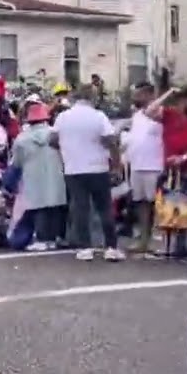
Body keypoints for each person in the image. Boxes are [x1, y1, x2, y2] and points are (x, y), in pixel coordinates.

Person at [53, 84, 125, 262]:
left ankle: (85, 248)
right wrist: (116, 165)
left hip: (73, 168)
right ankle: (111, 247)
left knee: (80, 208)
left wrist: (67, 149)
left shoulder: (63, 117)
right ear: (92, 98)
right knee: (104, 207)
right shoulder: (98, 116)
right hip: (97, 167)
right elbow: (111, 141)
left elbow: (52, 140)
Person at [152, 86, 187, 263]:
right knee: (175, 208)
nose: (185, 104)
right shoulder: (170, 114)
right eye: (183, 100)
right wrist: (168, 92)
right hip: (171, 169)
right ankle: (180, 248)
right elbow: (149, 111)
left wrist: (184, 157)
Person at [11, 102, 68, 250]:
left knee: (37, 207)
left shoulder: (22, 139)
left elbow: (16, 162)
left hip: (33, 177)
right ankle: (57, 237)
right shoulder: (55, 135)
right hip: (56, 175)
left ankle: (42, 238)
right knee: (56, 206)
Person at [125, 83, 173, 254]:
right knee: (141, 204)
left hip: (154, 166)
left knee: (159, 204)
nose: (135, 98)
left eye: (138, 94)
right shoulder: (136, 115)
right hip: (137, 165)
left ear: (149, 94)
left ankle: (162, 241)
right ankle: (144, 240)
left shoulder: (160, 113)